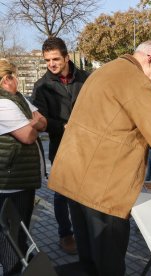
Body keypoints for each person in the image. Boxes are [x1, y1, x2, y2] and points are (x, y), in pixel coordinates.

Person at [47, 40, 151, 276]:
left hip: (76, 178)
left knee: (89, 258)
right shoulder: (136, 81)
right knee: (109, 262)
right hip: (103, 187)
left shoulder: (107, 69)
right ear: (150, 59)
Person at [31, 37, 89, 255]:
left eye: (56, 59)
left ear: (67, 56)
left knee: (86, 191)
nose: (52, 64)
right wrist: (64, 126)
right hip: (61, 146)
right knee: (62, 193)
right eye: (47, 60)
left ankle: (86, 231)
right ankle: (66, 234)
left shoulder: (85, 78)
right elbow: (41, 121)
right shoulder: (42, 86)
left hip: (88, 146)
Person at [0, 59, 47, 275]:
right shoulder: (3, 103)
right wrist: (32, 123)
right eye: (15, 75)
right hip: (11, 182)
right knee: (11, 238)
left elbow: (42, 121)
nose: (17, 80)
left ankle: (18, 269)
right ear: (8, 78)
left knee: (21, 231)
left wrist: (30, 121)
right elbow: (29, 135)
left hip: (23, 178)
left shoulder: (17, 98)